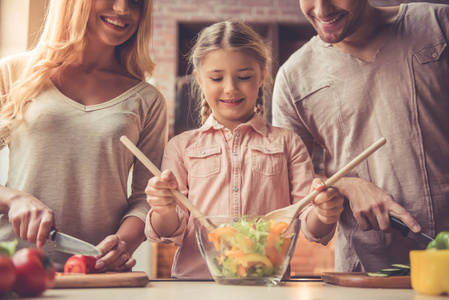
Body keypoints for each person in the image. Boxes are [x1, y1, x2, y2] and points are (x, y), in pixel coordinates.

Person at [144, 20, 344, 279]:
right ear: (200, 79)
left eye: (245, 76)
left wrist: (323, 212)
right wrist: (163, 208)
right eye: (216, 77)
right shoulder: (181, 147)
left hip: (267, 283)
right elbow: (168, 232)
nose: (230, 88)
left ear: (262, 75)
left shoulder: (288, 143)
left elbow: (310, 225)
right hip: (196, 284)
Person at [272, 0, 449, 272]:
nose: (321, 10)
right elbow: (293, 186)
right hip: (367, 273)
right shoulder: (293, 77)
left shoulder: (439, 25)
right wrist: (345, 185)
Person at [0, 0, 168, 272]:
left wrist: (122, 244)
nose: (124, 10)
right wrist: (12, 199)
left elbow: (146, 197)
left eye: (135, 2)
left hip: (97, 272)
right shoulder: (13, 74)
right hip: (12, 268)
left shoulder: (147, 100)